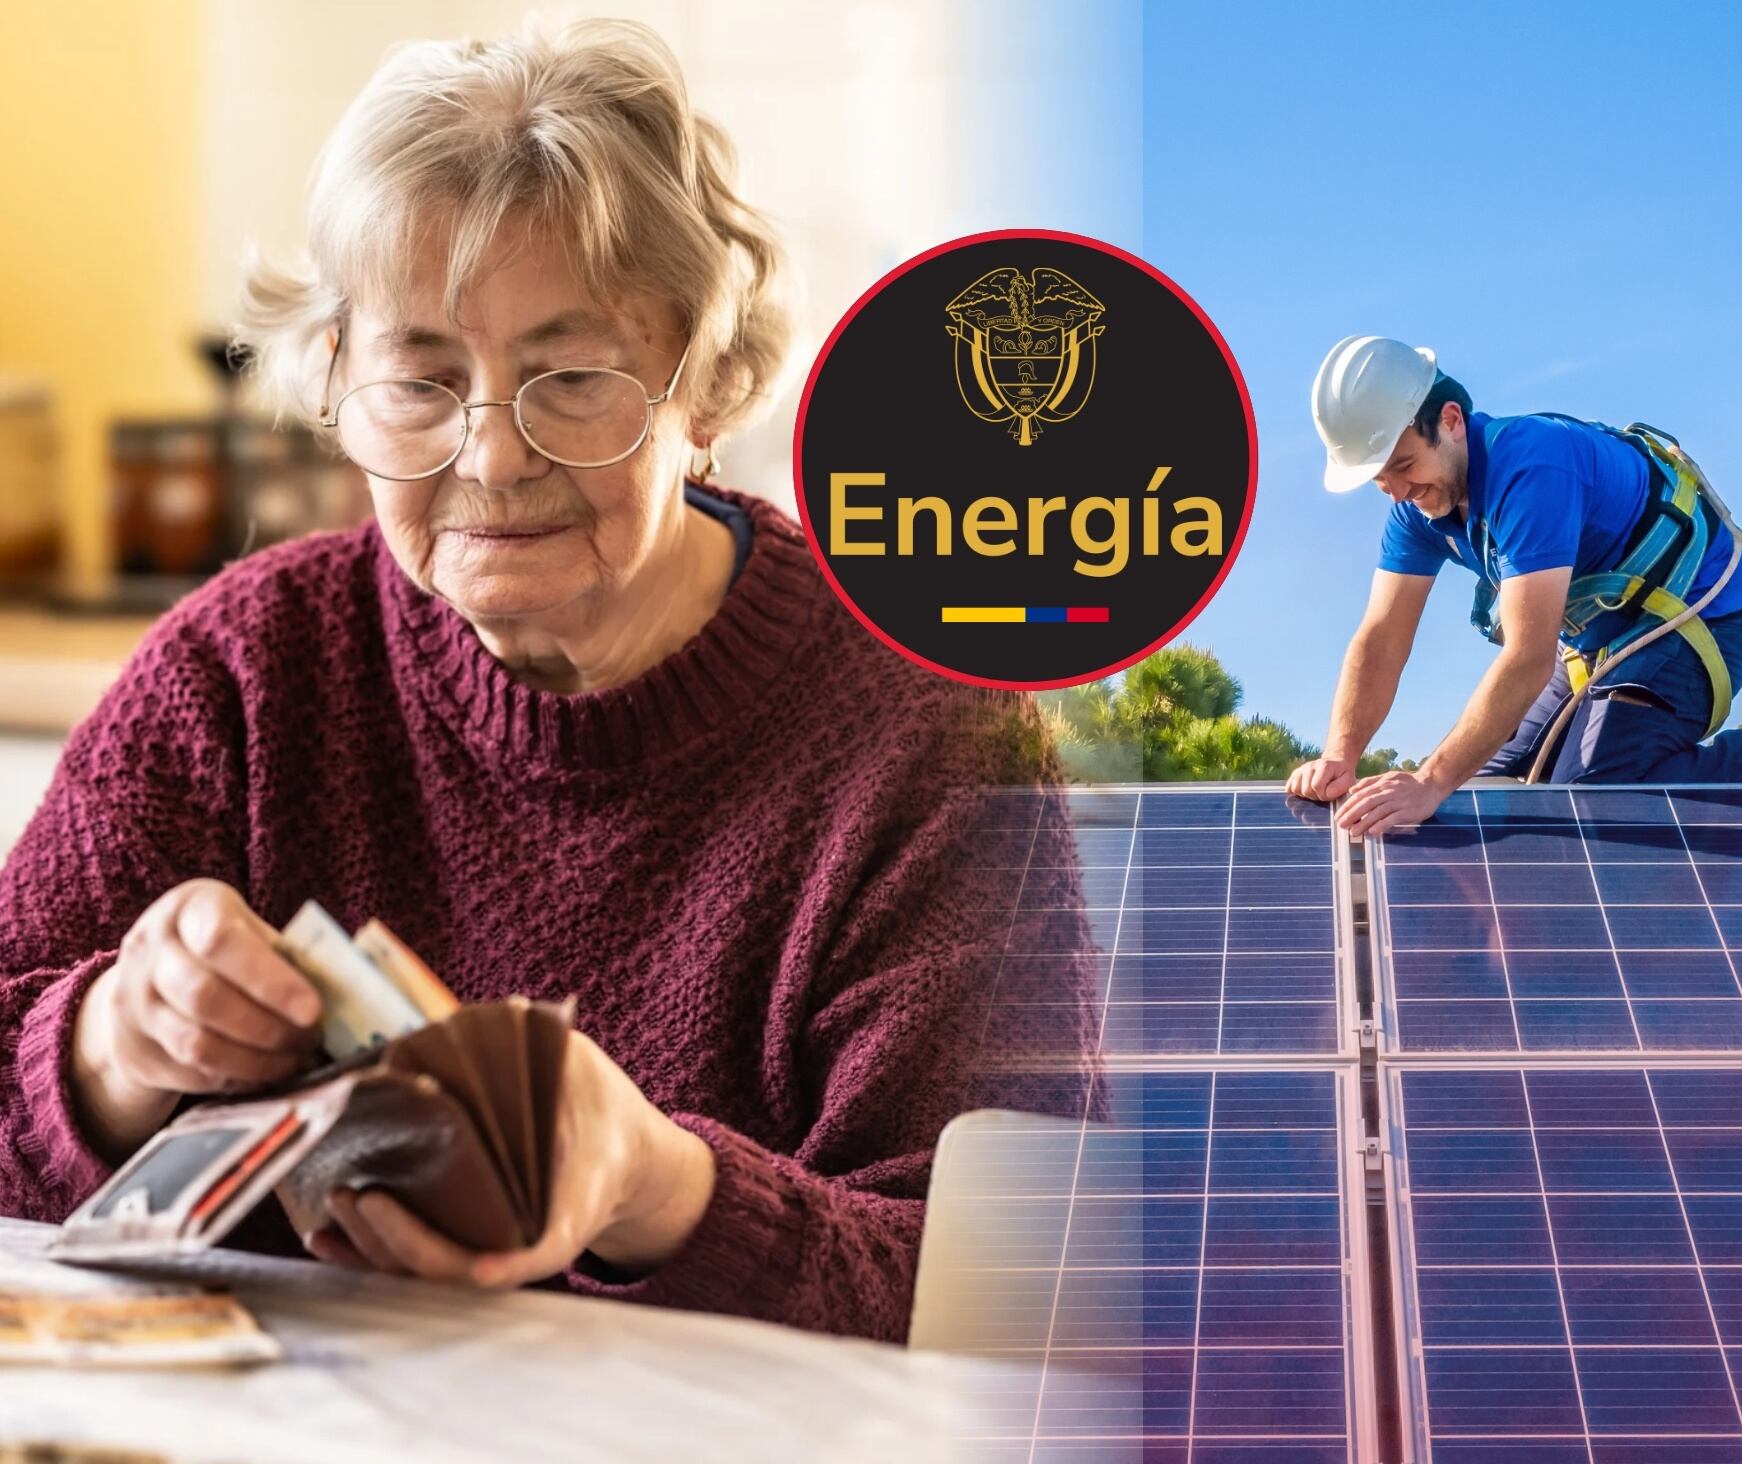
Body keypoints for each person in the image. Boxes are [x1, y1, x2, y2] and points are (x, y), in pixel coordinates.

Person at [0, 18, 1092, 1344]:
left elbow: (1028, 1296)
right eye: (421, 377)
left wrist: (653, 1186)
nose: (490, 458)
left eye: (571, 379)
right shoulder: (241, 670)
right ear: (337, 385)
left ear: (702, 384)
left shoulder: (928, 717)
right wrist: (106, 1051)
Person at [1289, 335, 1742, 837]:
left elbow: (1526, 655)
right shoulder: (1417, 510)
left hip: (1698, 619)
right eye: (1377, 478)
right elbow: (1381, 636)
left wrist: (1427, 779)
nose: (1393, 489)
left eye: (1401, 464)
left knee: (1592, 798)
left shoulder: (1531, 469)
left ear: (1448, 422)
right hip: (1598, 643)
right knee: (1485, 794)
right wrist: (1340, 753)